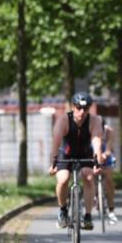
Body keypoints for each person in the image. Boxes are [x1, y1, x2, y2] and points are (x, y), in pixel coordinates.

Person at [49, 92, 104, 230]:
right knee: (63, 179)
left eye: (85, 108)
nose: (82, 111)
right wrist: (53, 163)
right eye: (79, 108)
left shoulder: (94, 120)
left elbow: (96, 141)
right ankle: (63, 210)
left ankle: (88, 215)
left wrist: (98, 161)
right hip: (66, 154)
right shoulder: (63, 120)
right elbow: (55, 142)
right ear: (73, 107)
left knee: (89, 177)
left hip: (85, 154)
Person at [100, 118, 118, 225]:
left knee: (108, 180)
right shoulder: (89, 129)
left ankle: (111, 208)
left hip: (106, 155)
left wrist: (105, 154)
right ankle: (95, 195)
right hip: (93, 154)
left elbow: (108, 148)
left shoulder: (109, 131)